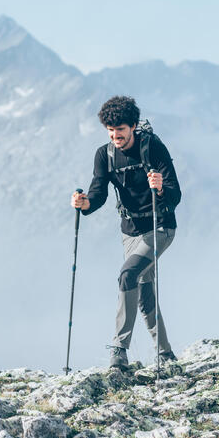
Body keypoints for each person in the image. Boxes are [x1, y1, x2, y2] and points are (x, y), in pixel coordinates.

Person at [71, 96, 181, 368]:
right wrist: (85, 204)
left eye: (120, 129)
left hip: (160, 227)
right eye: (110, 129)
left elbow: (175, 193)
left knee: (127, 274)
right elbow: (98, 193)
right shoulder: (104, 155)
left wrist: (160, 187)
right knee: (143, 294)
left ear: (132, 126)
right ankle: (166, 355)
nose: (115, 135)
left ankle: (119, 350)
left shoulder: (152, 147)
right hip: (130, 232)